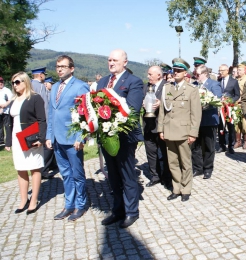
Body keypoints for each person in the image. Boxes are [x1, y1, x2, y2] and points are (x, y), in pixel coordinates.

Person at [97, 49, 144, 228]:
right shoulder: (102, 82)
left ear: (125, 62)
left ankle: (132, 211)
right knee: (113, 176)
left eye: (115, 60)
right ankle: (118, 210)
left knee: (126, 174)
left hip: (125, 137)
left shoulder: (134, 81)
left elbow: (133, 109)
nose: (111, 62)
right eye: (109, 59)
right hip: (106, 136)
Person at [46, 55, 89, 221]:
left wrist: (80, 136)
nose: (59, 69)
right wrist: (49, 135)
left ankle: (80, 204)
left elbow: (85, 114)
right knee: (65, 174)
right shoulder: (55, 87)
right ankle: (68, 205)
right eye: (58, 66)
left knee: (77, 174)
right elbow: (51, 112)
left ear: (71, 68)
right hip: (57, 138)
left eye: (63, 66)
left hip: (72, 139)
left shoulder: (80, 86)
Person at [157, 58, 201, 202]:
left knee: (186, 162)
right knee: (173, 162)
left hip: (184, 132)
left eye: (179, 71)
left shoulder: (191, 90)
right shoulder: (167, 88)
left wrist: (193, 133)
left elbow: (196, 114)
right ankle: (176, 188)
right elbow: (163, 110)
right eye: (174, 70)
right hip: (169, 131)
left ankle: (186, 188)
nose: (175, 73)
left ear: (185, 73)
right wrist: (161, 129)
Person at [5, 72, 46, 214]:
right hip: (17, 139)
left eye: (17, 82)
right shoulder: (13, 100)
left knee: (34, 168)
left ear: (25, 82)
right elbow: (9, 122)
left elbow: (42, 120)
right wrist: (8, 141)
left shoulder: (35, 98)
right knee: (20, 168)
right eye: (13, 82)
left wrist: (41, 138)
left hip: (30, 138)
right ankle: (24, 200)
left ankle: (33, 200)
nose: (15, 85)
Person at [143, 66, 171, 189]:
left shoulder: (168, 86)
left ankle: (166, 177)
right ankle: (155, 176)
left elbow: (173, 105)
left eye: (150, 74)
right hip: (148, 125)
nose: (148, 76)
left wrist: (162, 103)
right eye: (148, 74)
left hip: (162, 125)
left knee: (165, 153)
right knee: (151, 152)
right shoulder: (145, 87)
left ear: (159, 75)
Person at [191, 64, 222, 179]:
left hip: (209, 119)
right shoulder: (193, 85)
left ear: (205, 74)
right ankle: (198, 168)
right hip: (195, 121)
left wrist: (204, 102)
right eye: (195, 74)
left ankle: (208, 168)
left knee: (209, 145)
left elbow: (217, 98)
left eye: (197, 74)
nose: (196, 76)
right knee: (195, 145)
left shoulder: (214, 84)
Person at [217, 64, 240, 154]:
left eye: (222, 70)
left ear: (227, 71)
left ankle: (230, 146)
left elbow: (237, 95)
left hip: (229, 108)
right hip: (220, 108)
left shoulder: (234, 82)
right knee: (220, 127)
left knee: (231, 127)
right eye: (219, 70)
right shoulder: (218, 81)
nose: (220, 72)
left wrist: (230, 101)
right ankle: (222, 145)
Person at [234, 64, 246, 149]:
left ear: (244, 71)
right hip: (236, 105)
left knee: (244, 124)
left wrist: (241, 99)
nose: (238, 72)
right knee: (237, 124)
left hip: (244, 104)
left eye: (240, 70)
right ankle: (238, 141)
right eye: (238, 70)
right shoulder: (235, 80)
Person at [0, 76, 13, 146]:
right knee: (0, 127)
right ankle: (1, 141)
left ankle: (9, 141)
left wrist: (5, 105)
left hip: (6, 111)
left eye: (1, 82)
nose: (0, 83)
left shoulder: (7, 90)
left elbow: (11, 99)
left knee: (7, 126)